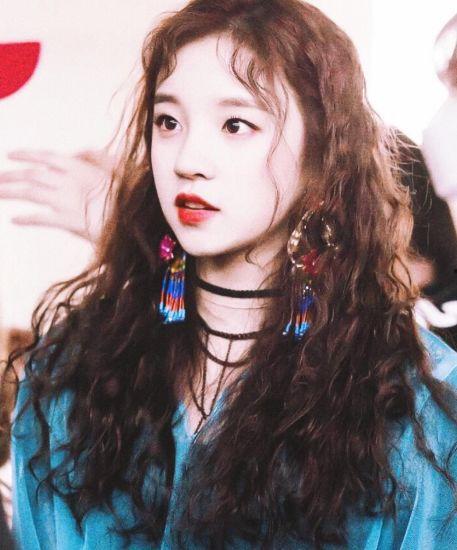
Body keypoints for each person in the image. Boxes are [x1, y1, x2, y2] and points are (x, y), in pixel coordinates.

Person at [6, 0, 457, 547]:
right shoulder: (66, 374)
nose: (188, 159)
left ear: (322, 157)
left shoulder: (416, 402)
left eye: (236, 124)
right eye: (168, 122)